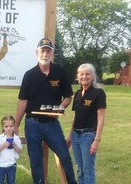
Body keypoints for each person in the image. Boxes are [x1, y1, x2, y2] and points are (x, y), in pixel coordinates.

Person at [14, 37, 77, 184]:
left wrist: (59, 109)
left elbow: (68, 97)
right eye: (43, 51)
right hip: (32, 124)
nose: (45, 54)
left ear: (52, 54)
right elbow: (23, 101)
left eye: (48, 51)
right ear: (37, 53)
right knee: (36, 161)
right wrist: (16, 125)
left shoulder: (60, 73)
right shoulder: (29, 75)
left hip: (52, 124)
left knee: (65, 156)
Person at [67, 63, 106, 184]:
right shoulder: (78, 94)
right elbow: (76, 117)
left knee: (88, 170)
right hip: (76, 135)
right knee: (79, 168)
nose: (84, 76)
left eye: (87, 74)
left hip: (88, 136)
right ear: (78, 77)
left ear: (93, 76)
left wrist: (96, 140)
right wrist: (70, 136)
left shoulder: (98, 93)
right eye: (82, 74)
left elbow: (101, 118)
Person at [0, 115, 22, 184]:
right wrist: (4, 145)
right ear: (3, 127)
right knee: (0, 181)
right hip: (1, 164)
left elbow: (19, 151)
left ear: (14, 126)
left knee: (11, 181)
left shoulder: (16, 138)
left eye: (11, 126)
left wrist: (15, 146)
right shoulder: (0, 138)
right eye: (6, 126)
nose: (9, 128)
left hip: (11, 164)